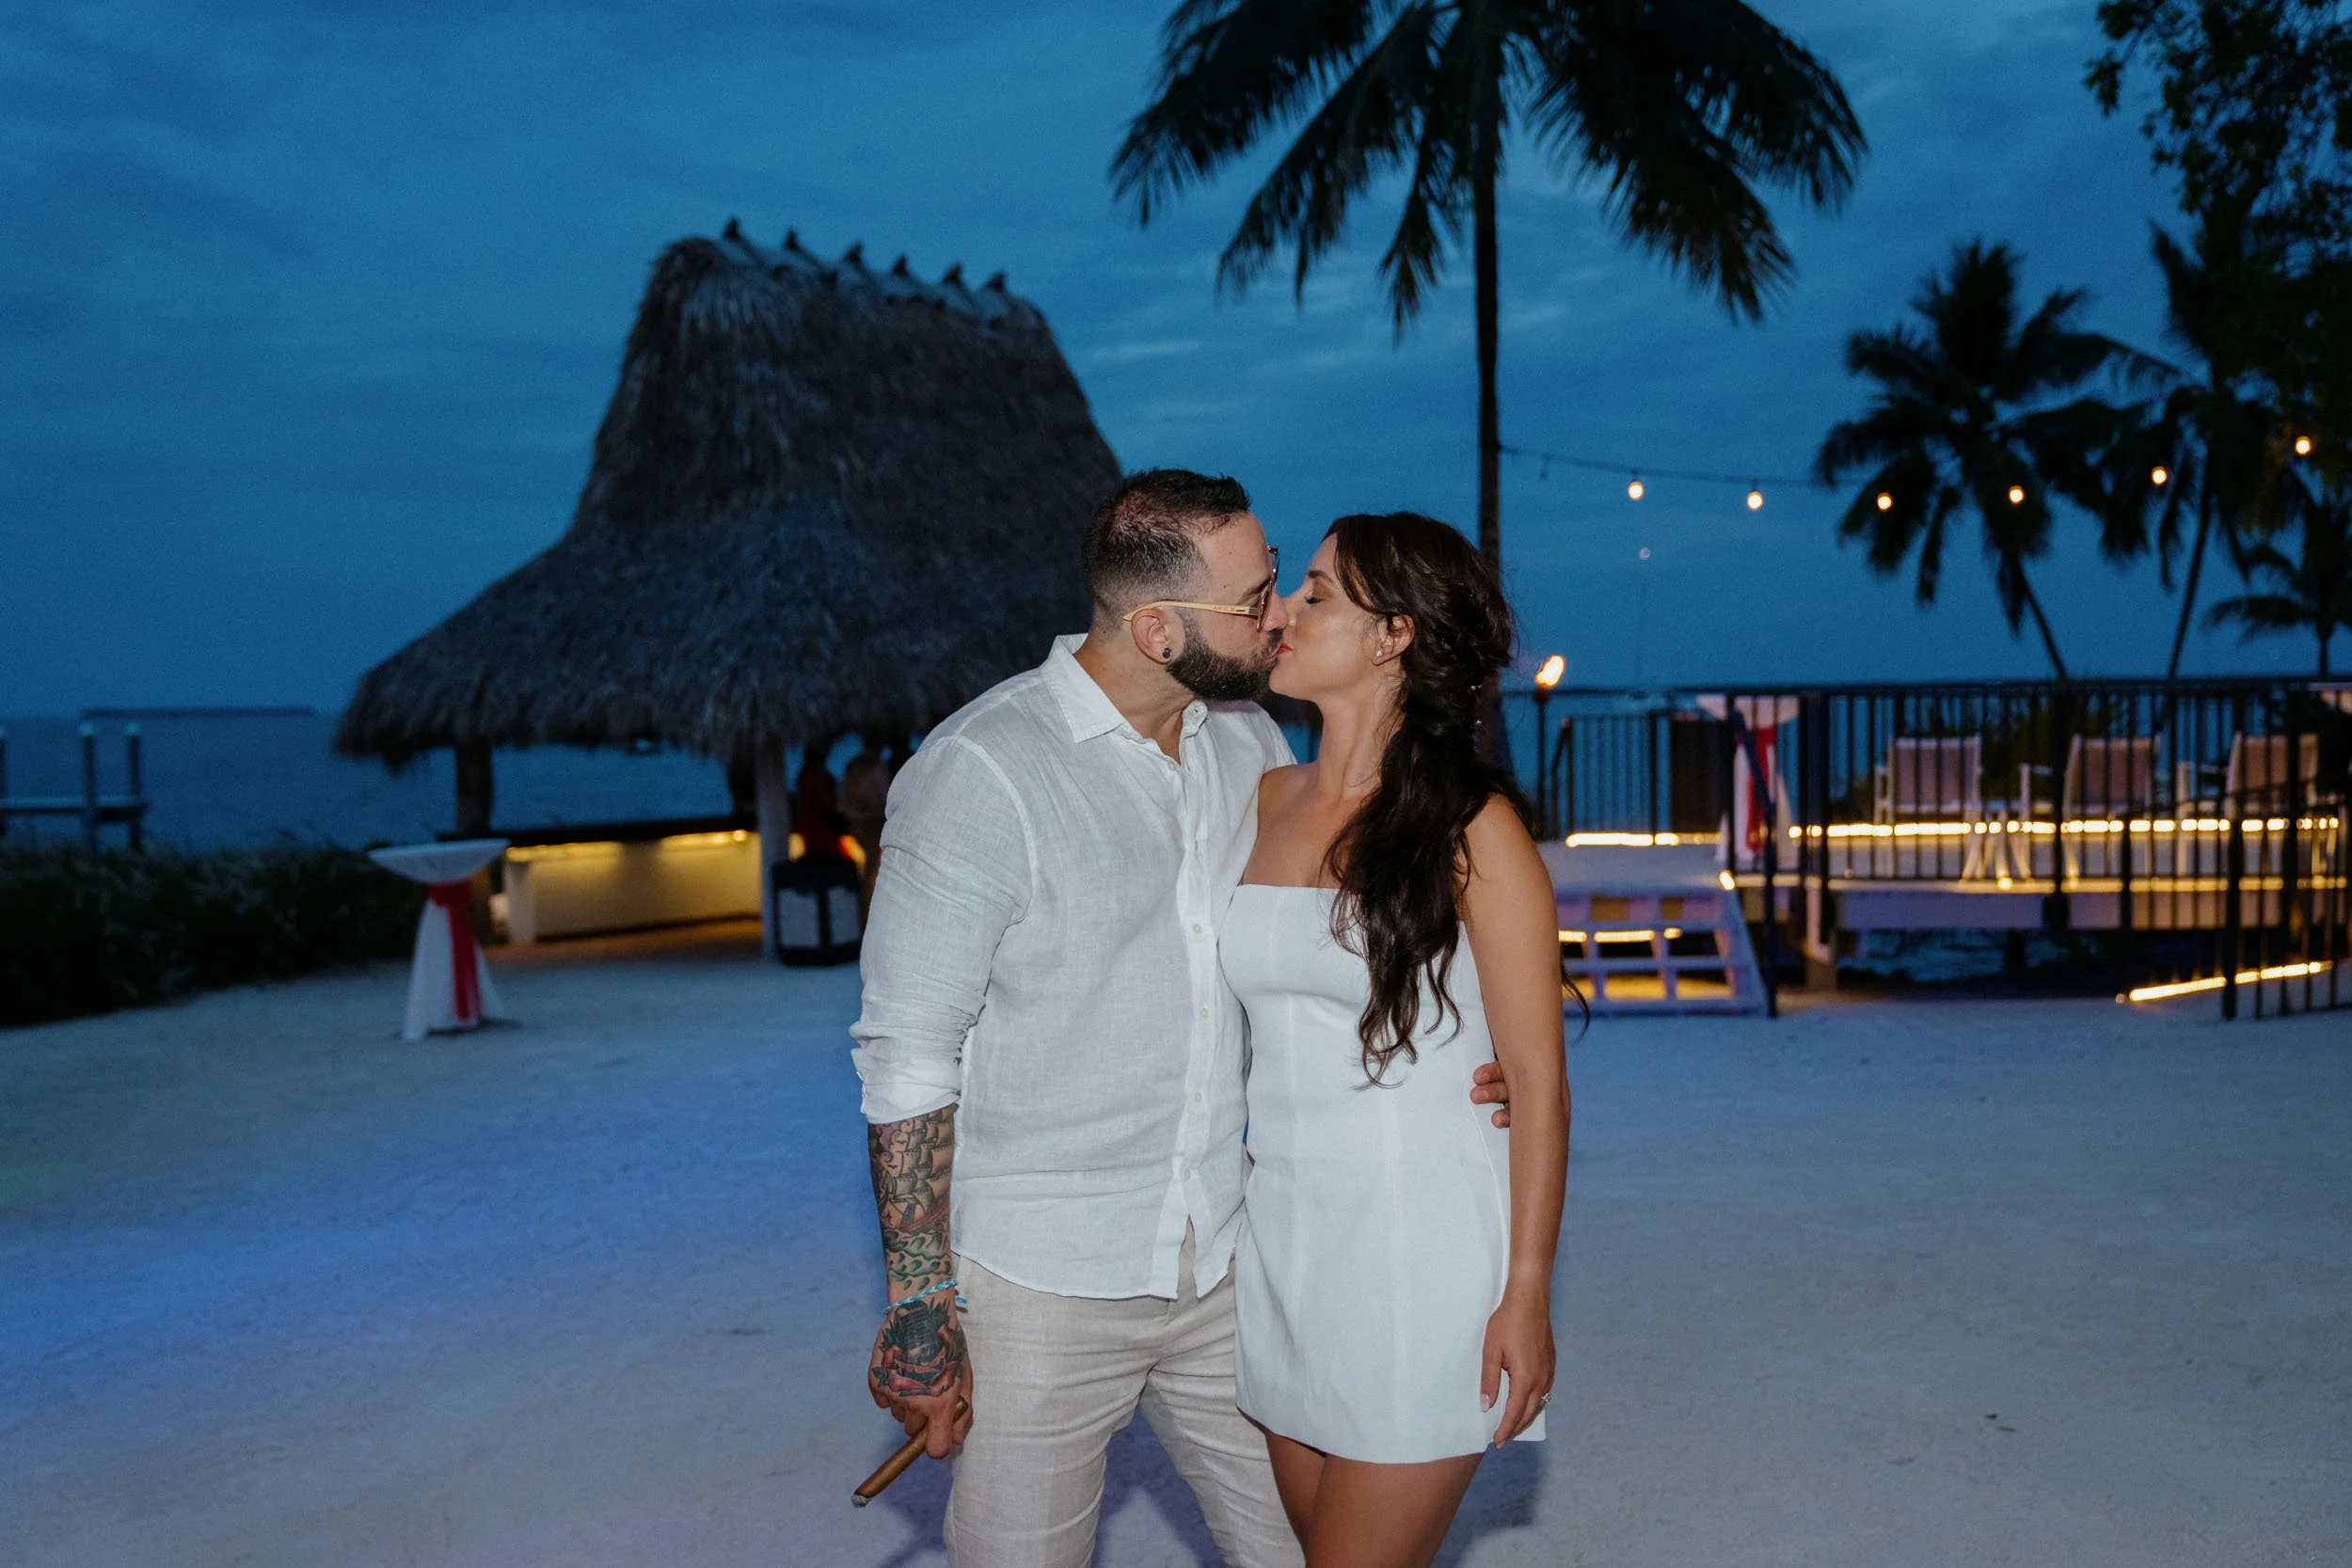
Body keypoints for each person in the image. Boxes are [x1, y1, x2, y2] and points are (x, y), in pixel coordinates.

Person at [849, 471, 1510, 1568]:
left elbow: (1332, 940)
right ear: (1158, 629)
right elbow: (906, 1053)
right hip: (1041, 1282)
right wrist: (920, 1300)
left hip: (1227, 1259)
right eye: (1254, 599)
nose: (1279, 615)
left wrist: (1478, 1053)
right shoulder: (980, 772)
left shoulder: (1247, 745)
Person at [1223, 513, 1571, 1568]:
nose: (1282, 611)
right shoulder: (1264, 797)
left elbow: (1538, 1083)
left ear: (1394, 636)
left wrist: (1524, 1288)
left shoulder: (1474, 828)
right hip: (1281, 1248)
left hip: (1419, 1258)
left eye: (1316, 592)